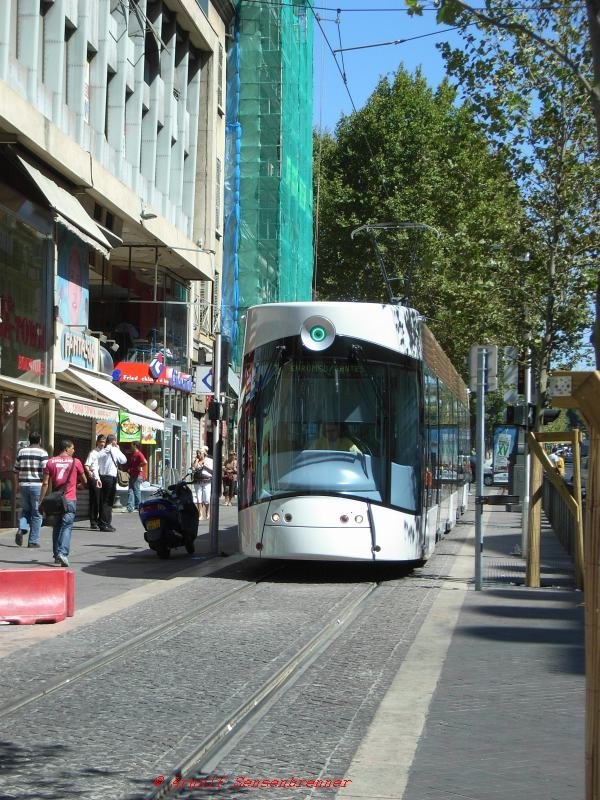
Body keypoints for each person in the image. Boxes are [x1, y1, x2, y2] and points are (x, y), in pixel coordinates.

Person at [39, 439, 86, 567]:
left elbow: (45, 483)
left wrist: (41, 500)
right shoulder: (76, 462)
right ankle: (63, 553)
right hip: (69, 499)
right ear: (66, 449)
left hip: (56, 500)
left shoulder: (50, 462)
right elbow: (85, 481)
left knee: (57, 526)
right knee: (67, 526)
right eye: (72, 448)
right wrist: (79, 486)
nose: (74, 450)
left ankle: (56, 554)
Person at [13, 432, 48, 548]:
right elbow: (46, 471)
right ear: (40, 440)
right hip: (37, 486)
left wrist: (17, 485)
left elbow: (15, 470)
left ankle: (22, 529)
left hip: (23, 485)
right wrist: (46, 485)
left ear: (29, 440)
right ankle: (32, 541)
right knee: (37, 513)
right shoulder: (43, 453)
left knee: (25, 510)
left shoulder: (21, 452)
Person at [97, 434, 127, 531]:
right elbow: (124, 460)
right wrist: (118, 449)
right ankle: (105, 524)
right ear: (113, 441)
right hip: (110, 478)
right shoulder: (114, 449)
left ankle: (102, 522)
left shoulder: (102, 451)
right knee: (109, 501)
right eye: (115, 441)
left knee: (103, 500)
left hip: (102, 477)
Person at [84, 435, 105, 529]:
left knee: (102, 500)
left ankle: (101, 520)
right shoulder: (93, 453)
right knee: (95, 500)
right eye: (101, 442)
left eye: (104, 442)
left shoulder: (105, 452)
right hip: (95, 478)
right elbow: (86, 465)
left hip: (103, 478)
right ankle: (93, 521)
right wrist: (89, 472)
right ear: (97, 442)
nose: (102, 444)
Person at [191, 447, 213, 521]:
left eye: (199, 453)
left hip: (207, 481)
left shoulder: (209, 460)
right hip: (197, 481)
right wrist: (196, 462)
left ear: (204, 454)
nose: (198, 454)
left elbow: (212, 470)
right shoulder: (196, 461)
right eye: (197, 453)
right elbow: (193, 469)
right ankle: (200, 514)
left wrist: (204, 465)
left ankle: (207, 512)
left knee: (207, 498)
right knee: (199, 498)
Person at [126, 442, 148, 512]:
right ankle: (130, 507)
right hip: (132, 474)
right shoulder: (134, 454)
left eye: (132, 445)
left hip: (137, 475)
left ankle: (138, 506)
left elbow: (145, 462)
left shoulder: (139, 454)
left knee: (136, 491)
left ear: (135, 446)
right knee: (130, 490)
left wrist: (139, 466)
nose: (131, 447)